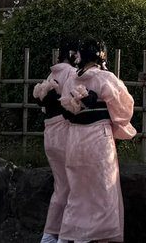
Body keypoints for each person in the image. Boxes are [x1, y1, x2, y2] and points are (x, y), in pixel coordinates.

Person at [58, 40, 137, 243]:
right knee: (103, 188)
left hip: (75, 138)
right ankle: (102, 235)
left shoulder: (71, 80)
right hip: (98, 138)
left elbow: (65, 111)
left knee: (78, 189)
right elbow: (124, 108)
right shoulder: (105, 78)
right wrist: (118, 122)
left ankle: (76, 233)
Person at [31, 41, 79, 243]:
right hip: (65, 132)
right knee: (72, 187)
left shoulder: (52, 75)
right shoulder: (71, 73)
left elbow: (44, 105)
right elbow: (71, 103)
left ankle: (49, 233)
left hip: (49, 132)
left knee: (60, 187)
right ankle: (65, 235)